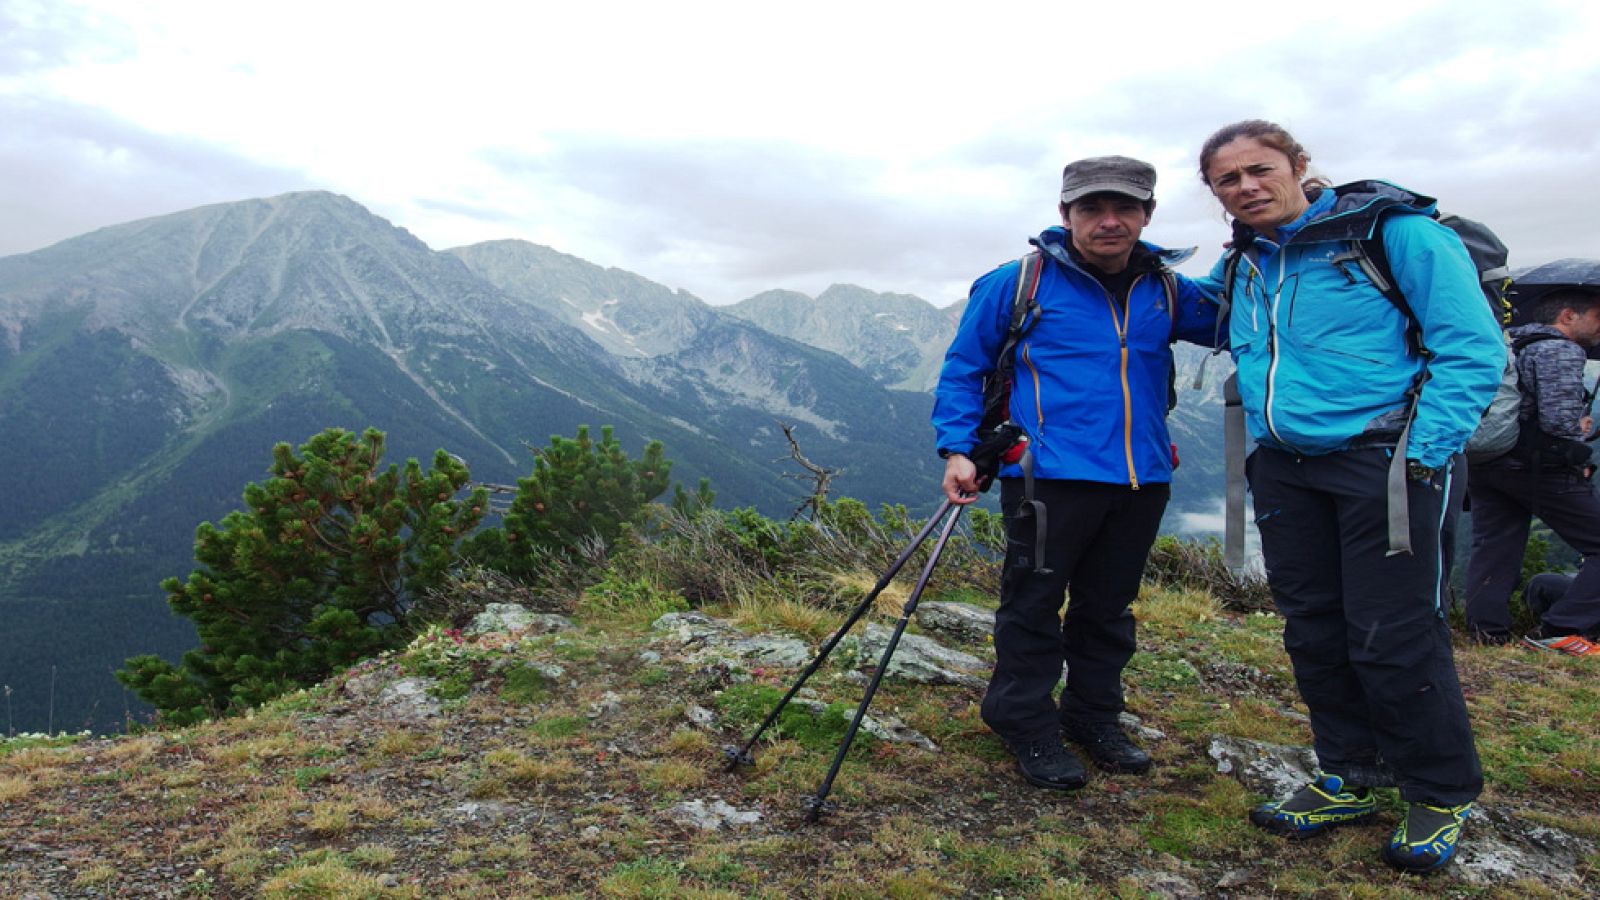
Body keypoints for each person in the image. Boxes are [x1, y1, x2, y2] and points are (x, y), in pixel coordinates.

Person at [1195, 120, 1503, 874]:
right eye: (1227, 181)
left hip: (1388, 461)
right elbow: (1180, 310)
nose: (1246, 187)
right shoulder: (1247, 262)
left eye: (1260, 170)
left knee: (1393, 632)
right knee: (1314, 627)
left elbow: (1472, 348)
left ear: (1300, 165)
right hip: (1285, 468)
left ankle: (1439, 788)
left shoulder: (1394, 237)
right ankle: (1351, 775)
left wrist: (1422, 456)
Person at [932, 155, 1219, 792]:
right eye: (1091, 208)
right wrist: (957, 446)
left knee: (1108, 608)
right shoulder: (1018, 283)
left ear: (1147, 215)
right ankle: (1023, 721)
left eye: (1125, 208)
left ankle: (1092, 715)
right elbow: (962, 369)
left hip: (1141, 476)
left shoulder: (1168, 289)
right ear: (1066, 215)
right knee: (1033, 605)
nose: (1108, 221)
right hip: (1046, 477)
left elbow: (1239, 321)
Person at [1463, 286, 1600, 655]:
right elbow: (1558, 422)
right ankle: (1564, 629)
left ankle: (1485, 633)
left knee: (1495, 547)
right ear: (1568, 316)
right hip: (1535, 466)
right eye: (1597, 316)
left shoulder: (1511, 344)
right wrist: (1580, 430)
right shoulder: (1560, 349)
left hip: (1489, 458)